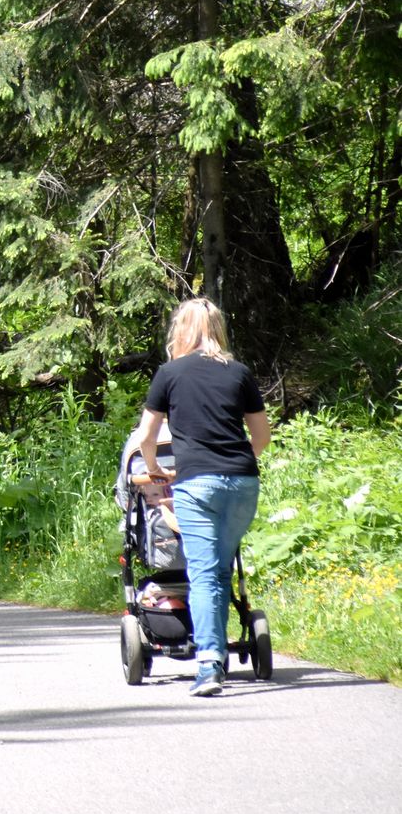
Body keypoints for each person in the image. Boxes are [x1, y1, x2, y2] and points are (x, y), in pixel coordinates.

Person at [128, 297, 272, 697]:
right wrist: (238, 461)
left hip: (197, 486)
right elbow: (261, 437)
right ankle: (218, 646)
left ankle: (210, 664)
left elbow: (145, 437)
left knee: (205, 573)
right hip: (243, 483)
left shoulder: (170, 374)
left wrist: (154, 468)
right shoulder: (239, 373)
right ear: (218, 330)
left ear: (181, 331)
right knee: (221, 569)